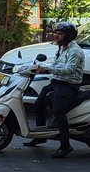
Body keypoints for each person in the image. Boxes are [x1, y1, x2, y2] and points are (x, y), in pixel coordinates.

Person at [31, 22, 85, 158]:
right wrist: (41, 67)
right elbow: (55, 64)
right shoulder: (62, 48)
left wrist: (49, 69)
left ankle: (65, 145)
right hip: (57, 82)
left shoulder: (75, 51)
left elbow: (68, 70)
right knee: (38, 104)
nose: (57, 36)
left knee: (58, 111)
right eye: (57, 33)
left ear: (68, 35)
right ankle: (40, 136)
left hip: (68, 84)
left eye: (60, 34)